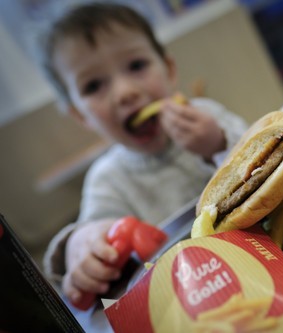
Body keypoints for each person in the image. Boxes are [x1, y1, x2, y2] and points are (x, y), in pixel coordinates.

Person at [38, 2, 248, 312]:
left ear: (170, 70)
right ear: (80, 115)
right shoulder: (107, 179)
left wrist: (217, 142)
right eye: (93, 85)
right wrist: (83, 242)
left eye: (136, 66)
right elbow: (95, 231)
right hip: (184, 302)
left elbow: (266, 164)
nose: (125, 92)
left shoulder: (208, 115)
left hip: (258, 252)